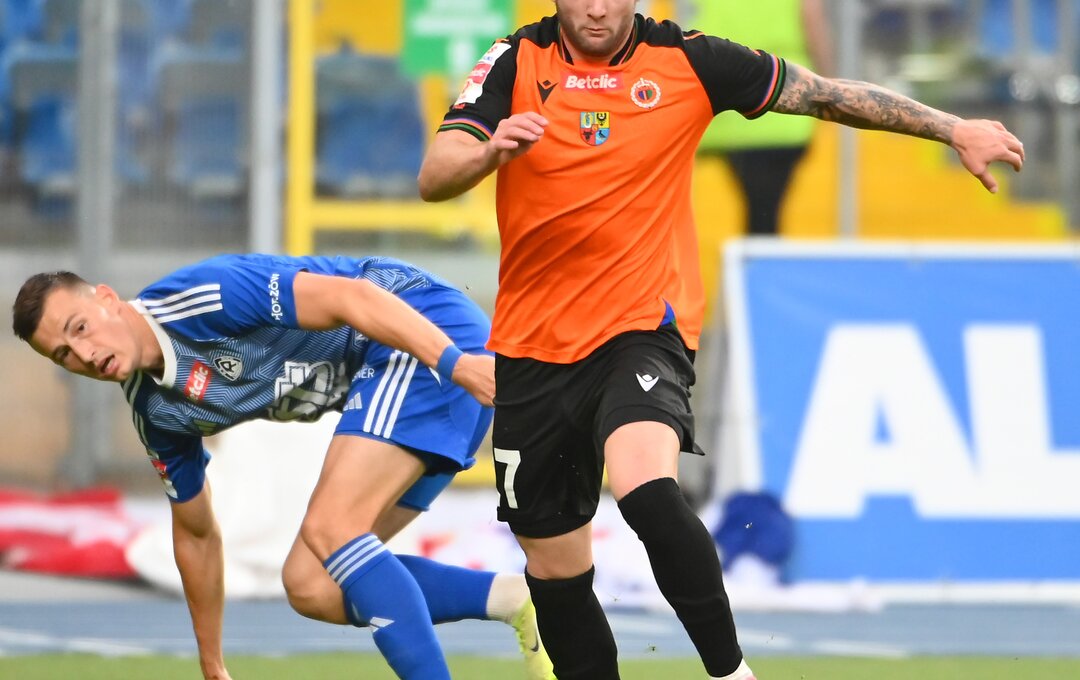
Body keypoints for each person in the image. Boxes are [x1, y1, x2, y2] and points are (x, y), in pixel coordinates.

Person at [417, 1, 1024, 679]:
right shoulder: (514, 61)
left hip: (639, 328)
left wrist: (952, 128)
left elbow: (823, 95)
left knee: (646, 488)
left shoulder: (689, 61)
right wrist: (488, 152)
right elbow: (435, 174)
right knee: (556, 570)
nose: (597, 7)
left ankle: (732, 673)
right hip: (532, 348)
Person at [12, 254, 555, 680]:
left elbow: (352, 296)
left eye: (80, 328)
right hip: (421, 372)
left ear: (108, 300)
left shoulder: (204, 297)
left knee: (332, 529)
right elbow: (196, 533)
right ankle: (516, 599)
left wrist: (456, 365)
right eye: (63, 354)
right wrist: (212, 662)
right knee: (311, 584)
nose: (83, 354)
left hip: (424, 338)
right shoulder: (156, 411)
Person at [694, 0, 833, 237]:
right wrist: (828, 84)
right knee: (765, 215)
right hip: (783, 98)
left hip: (725, 94)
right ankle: (756, 258)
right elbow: (812, 19)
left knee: (758, 210)